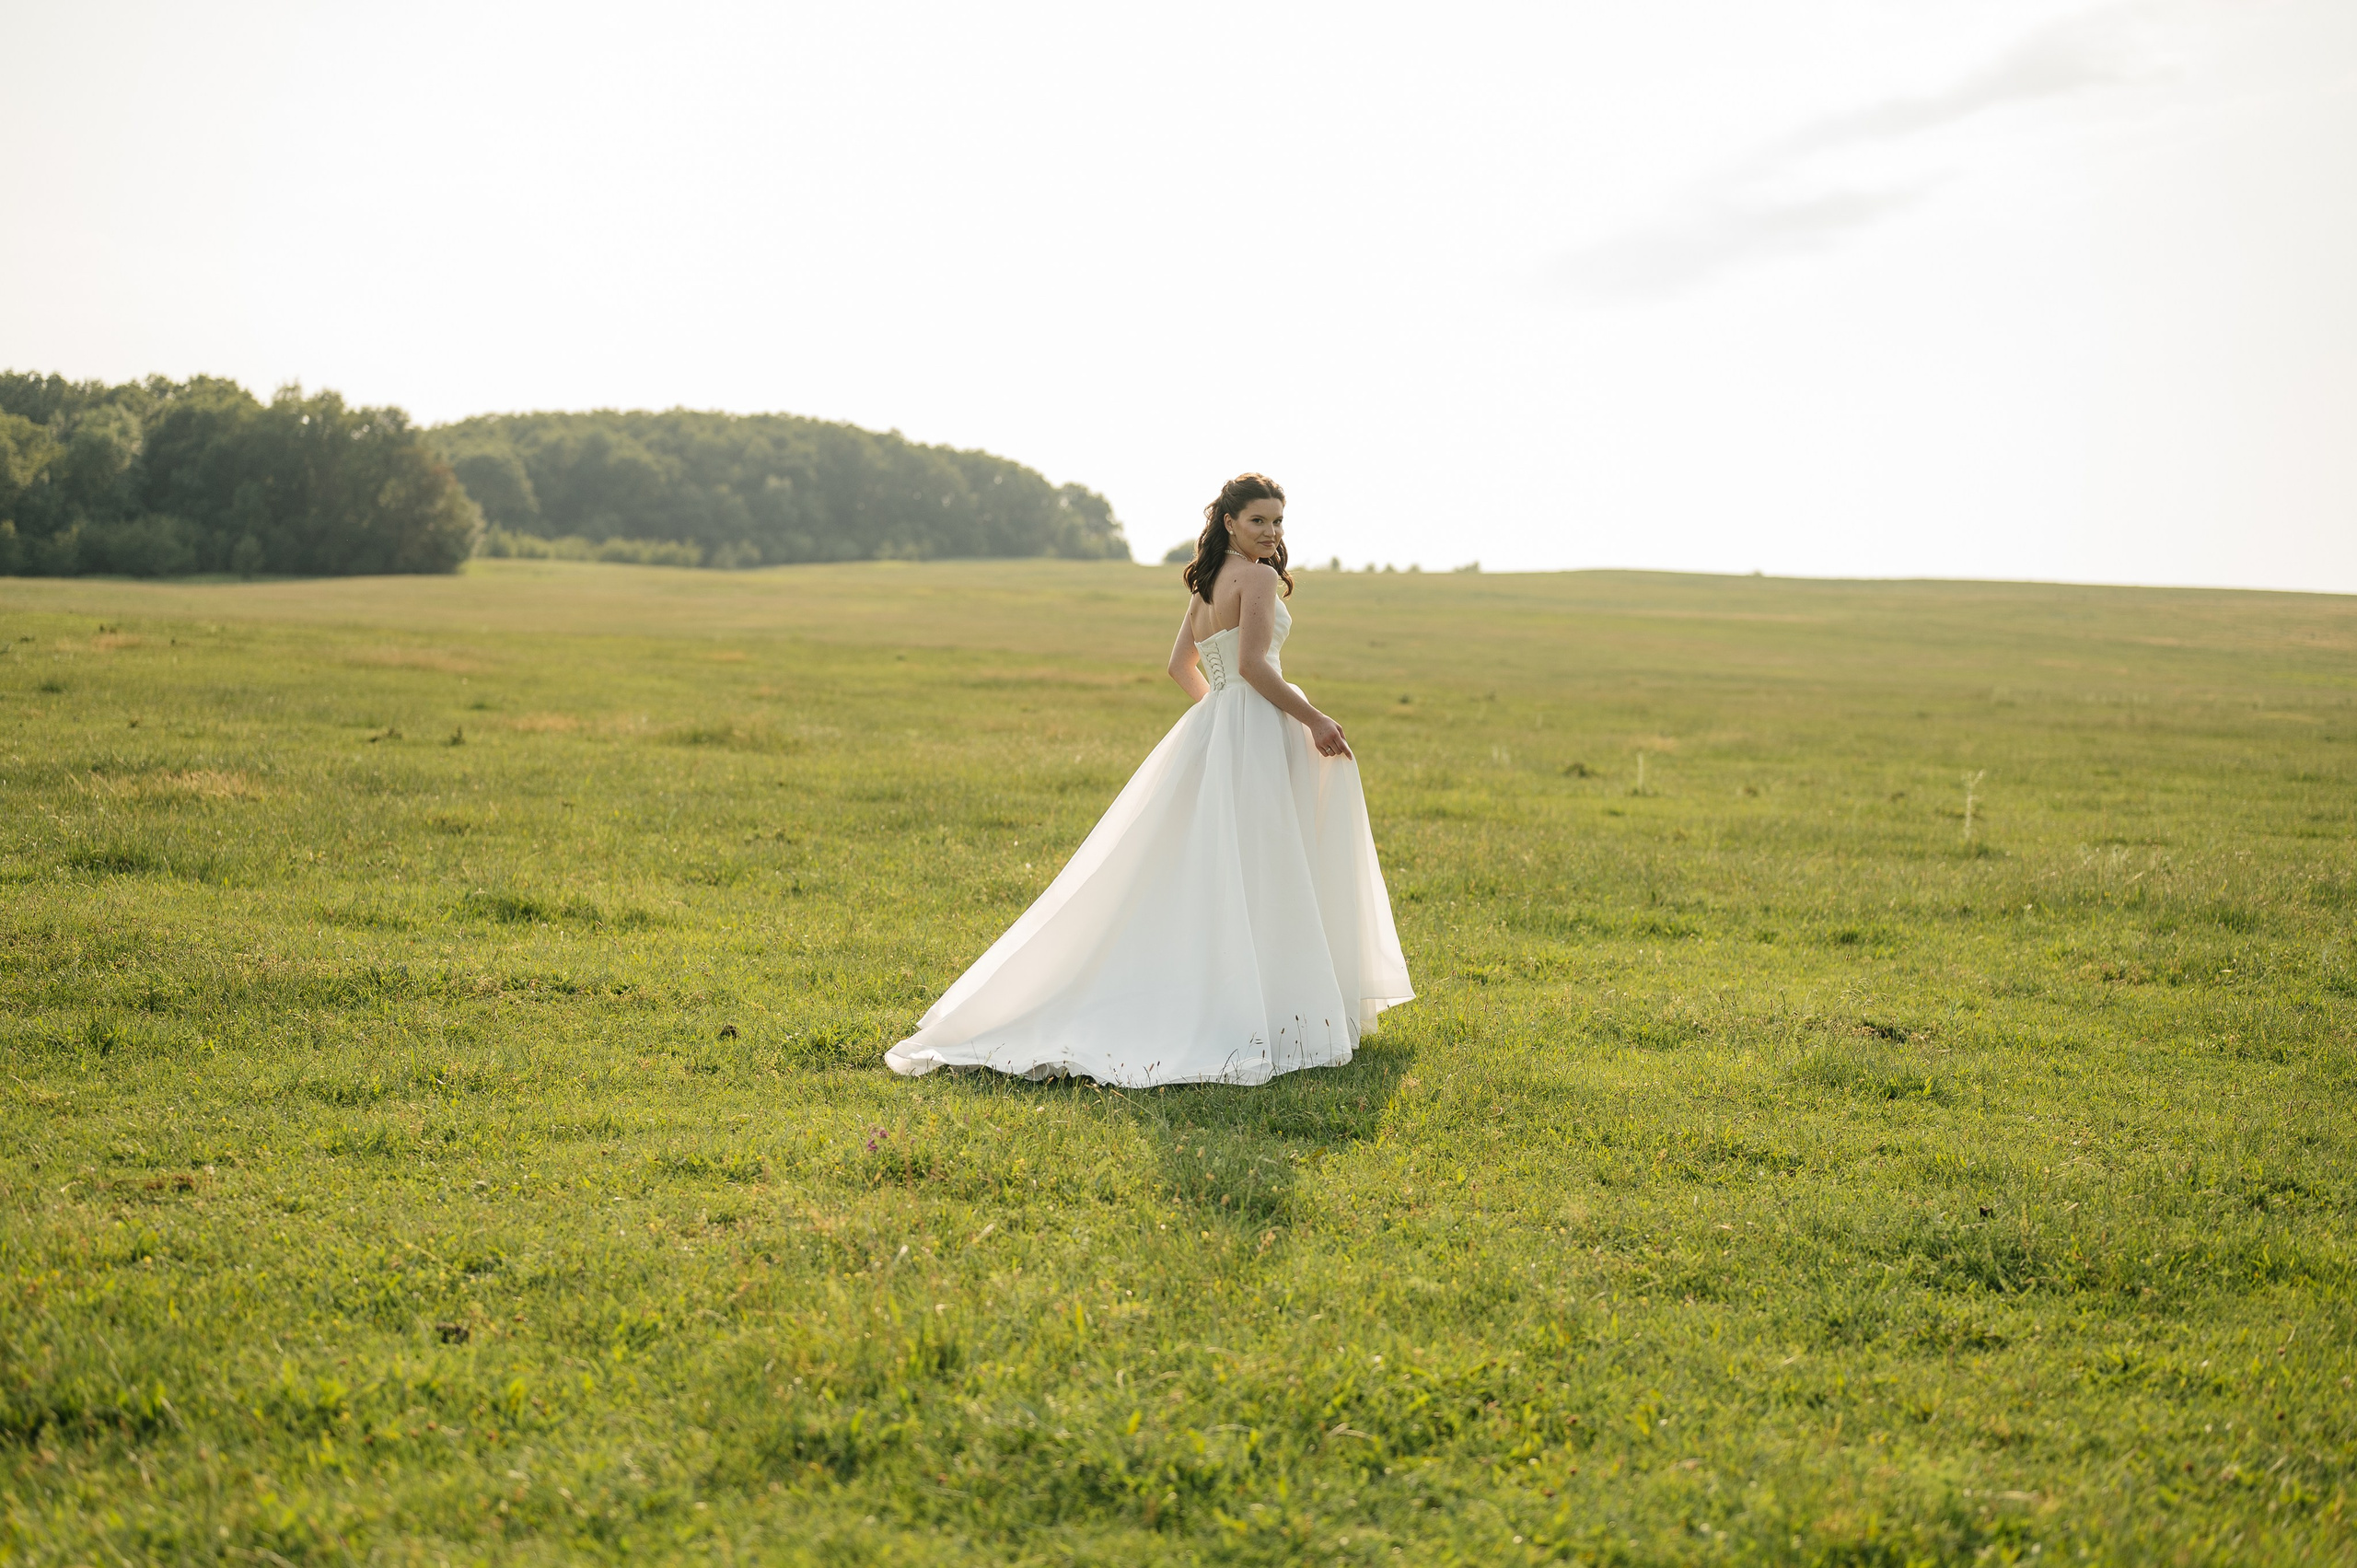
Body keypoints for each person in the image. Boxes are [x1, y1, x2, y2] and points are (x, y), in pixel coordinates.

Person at [885, 472, 1414, 1086]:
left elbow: (1179, 665)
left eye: (1278, 522)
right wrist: (1312, 718)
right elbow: (1251, 666)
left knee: (1228, 864)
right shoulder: (1260, 578)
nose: (1271, 533)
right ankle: (1270, 1008)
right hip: (1259, 728)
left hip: (1221, 727)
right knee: (1266, 863)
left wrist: (1219, 715)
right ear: (1229, 523)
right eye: (1259, 521)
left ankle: (1257, 996)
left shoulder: (1207, 583)